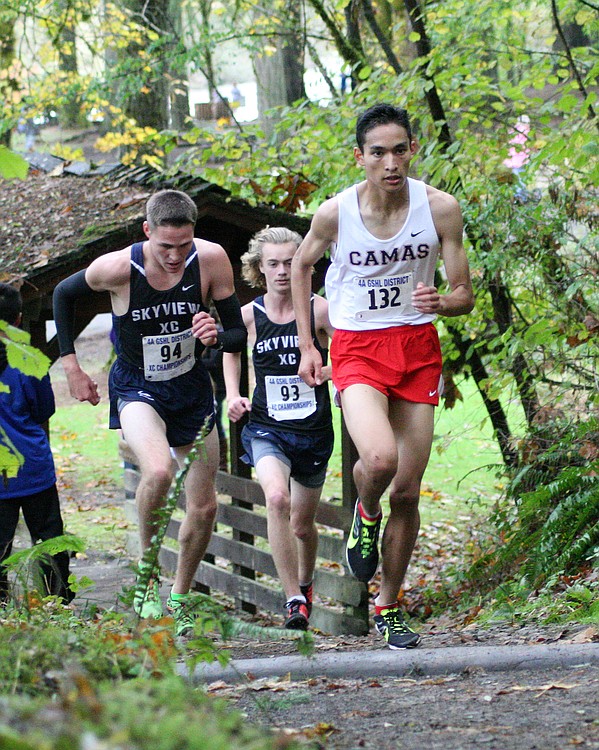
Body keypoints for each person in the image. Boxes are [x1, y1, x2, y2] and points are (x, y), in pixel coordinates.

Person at [291, 103, 474, 649]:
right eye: (378, 152)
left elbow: (464, 295)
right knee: (379, 460)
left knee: (410, 493)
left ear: (412, 149)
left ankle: (389, 606)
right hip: (358, 347)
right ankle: (363, 513)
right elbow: (302, 266)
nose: (390, 162)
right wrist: (307, 343)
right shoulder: (335, 214)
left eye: (399, 150)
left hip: (417, 347)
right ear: (360, 157)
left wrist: (442, 300)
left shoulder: (440, 209)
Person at [53, 189, 247, 635]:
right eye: (166, 247)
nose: (177, 256)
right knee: (158, 472)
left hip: (191, 388)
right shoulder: (120, 267)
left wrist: (216, 332)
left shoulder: (212, 260)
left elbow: (238, 333)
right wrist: (72, 367)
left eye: (184, 245)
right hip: (138, 386)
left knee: (203, 507)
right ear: (147, 233)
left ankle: (179, 594)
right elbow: (64, 295)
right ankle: (146, 574)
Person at [223, 227, 334, 630]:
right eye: (274, 264)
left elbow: (350, 352)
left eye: (291, 262)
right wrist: (233, 394)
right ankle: (291, 601)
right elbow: (231, 352)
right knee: (276, 499)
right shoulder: (250, 315)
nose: (283, 271)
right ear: (259, 268)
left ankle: (305, 584)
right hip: (267, 428)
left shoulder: (320, 310)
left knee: (302, 524)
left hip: (313, 431)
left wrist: (329, 370)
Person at [0, 283, 74, 605]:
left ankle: (3, 610)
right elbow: (45, 410)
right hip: (33, 469)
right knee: (50, 541)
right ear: (18, 319)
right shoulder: (30, 361)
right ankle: (57, 604)